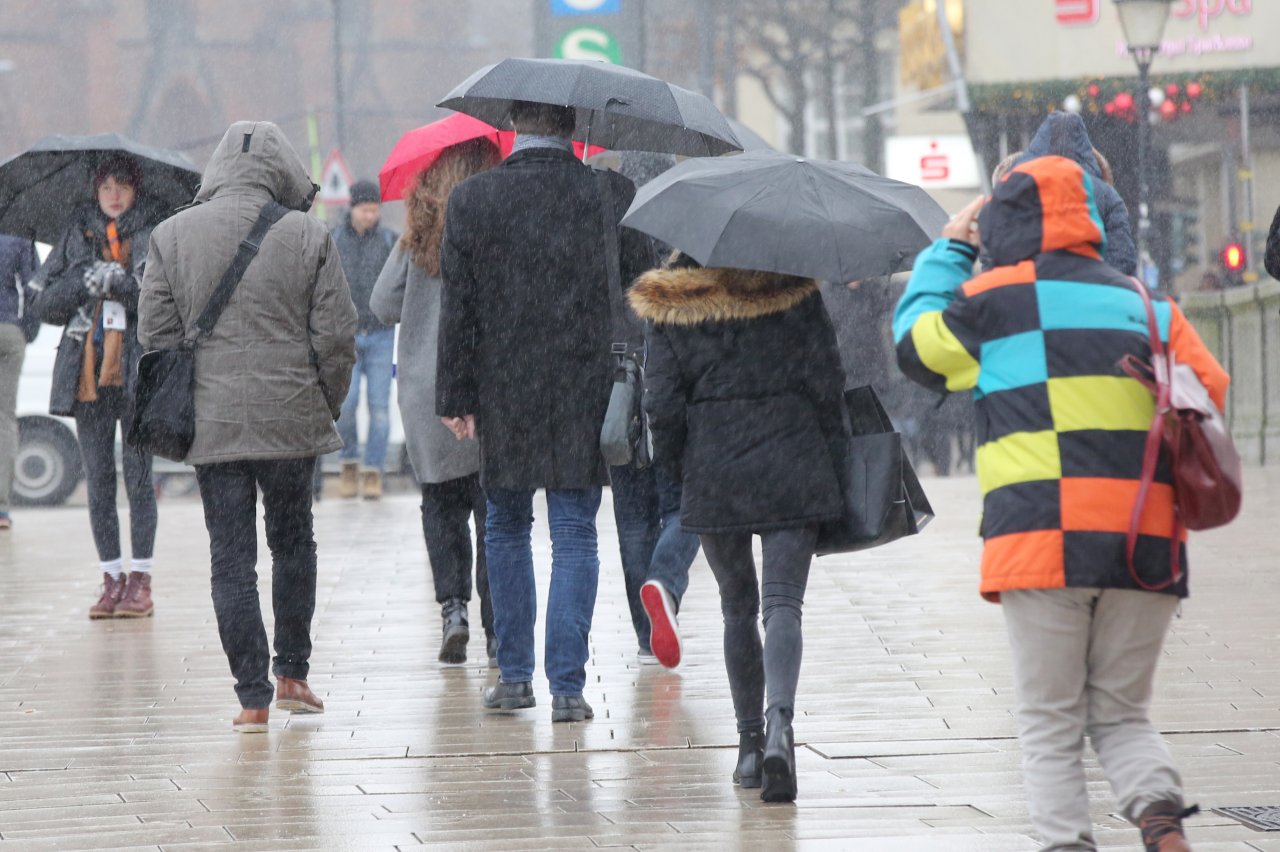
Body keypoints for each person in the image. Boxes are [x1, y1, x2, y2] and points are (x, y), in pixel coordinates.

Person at [893, 157, 1229, 851]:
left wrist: (950, 249)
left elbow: (915, 349)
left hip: (1040, 542)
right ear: (1091, 220)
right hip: (1146, 541)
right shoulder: (1147, 305)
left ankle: (1067, 843)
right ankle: (1159, 817)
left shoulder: (990, 302)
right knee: (1122, 711)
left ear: (1004, 223)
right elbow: (1211, 392)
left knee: (1050, 719)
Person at [436, 100, 653, 723]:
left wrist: (455, 395)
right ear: (571, 128)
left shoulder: (473, 200)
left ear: (515, 128)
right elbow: (639, 283)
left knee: (504, 528)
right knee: (576, 533)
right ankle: (567, 687)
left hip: (505, 387)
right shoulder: (610, 194)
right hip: (585, 385)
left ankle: (513, 678)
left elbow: (460, 306)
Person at [138, 121, 357, 733]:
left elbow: (154, 335)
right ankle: (293, 673)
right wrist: (323, 404)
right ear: (281, 170)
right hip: (291, 421)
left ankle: (252, 696)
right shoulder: (307, 234)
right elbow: (337, 338)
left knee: (230, 559)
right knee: (292, 543)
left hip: (214, 425)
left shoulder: (171, 234)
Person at [630, 252, 848, 803]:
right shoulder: (794, 288)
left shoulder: (673, 306)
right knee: (782, 606)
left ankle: (750, 747)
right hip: (792, 457)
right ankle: (781, 728)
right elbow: (828, 382)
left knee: (737, 606)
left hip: (715, 465)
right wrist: (835, 460)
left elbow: (660, 404)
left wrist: (681, 472)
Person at [370, 139, 500, 667]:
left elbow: (381, 306)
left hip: (427, 393)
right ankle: (498, 631)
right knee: (493, 514)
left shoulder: (415, 242)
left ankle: (453, 610)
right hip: (484, 387)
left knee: (441, 505)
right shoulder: (495, 233)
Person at [29, 155, 164, 619]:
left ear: (135, 191)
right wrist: (83, 283)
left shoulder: (154, 231)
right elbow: (42, 303)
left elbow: (165, 301)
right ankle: (111, 578)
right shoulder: (76, 232)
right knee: (99, 479)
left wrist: (125, 285)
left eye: (122, 185)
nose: (113, 194)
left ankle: (141, 581)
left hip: (137, 367)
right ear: (95, 189)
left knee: (140, 477)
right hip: (85, 371)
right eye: (105, 185)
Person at [605, 152, 702, 670]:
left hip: (618, 383)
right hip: (674, 390)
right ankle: (663, 583)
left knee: (631, 515)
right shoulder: (686, 237)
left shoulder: (608, 229)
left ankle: (647, 634)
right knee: (686, 506)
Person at [332, 178, 398, 500]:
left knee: (380, 407)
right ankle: (348, 463)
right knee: (345, 405)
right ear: (353, 207)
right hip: (346, 336)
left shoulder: (389, 241)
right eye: (365, 210)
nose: (370, 216)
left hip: (382, 334)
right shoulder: (333, 240)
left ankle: (373, 470)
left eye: (375, 210)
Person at [1015, 112, 1138, 276]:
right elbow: (1122, 258)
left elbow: (995, 252)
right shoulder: (1106, 194)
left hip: (1029, 292)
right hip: (1092, 292)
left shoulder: (1016, 188)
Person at [0, 236, 40, 530]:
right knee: (4, 419)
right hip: (8, 330)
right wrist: (27, 330)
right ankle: (1, 509)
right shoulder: (19, 231)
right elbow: (34, 288)